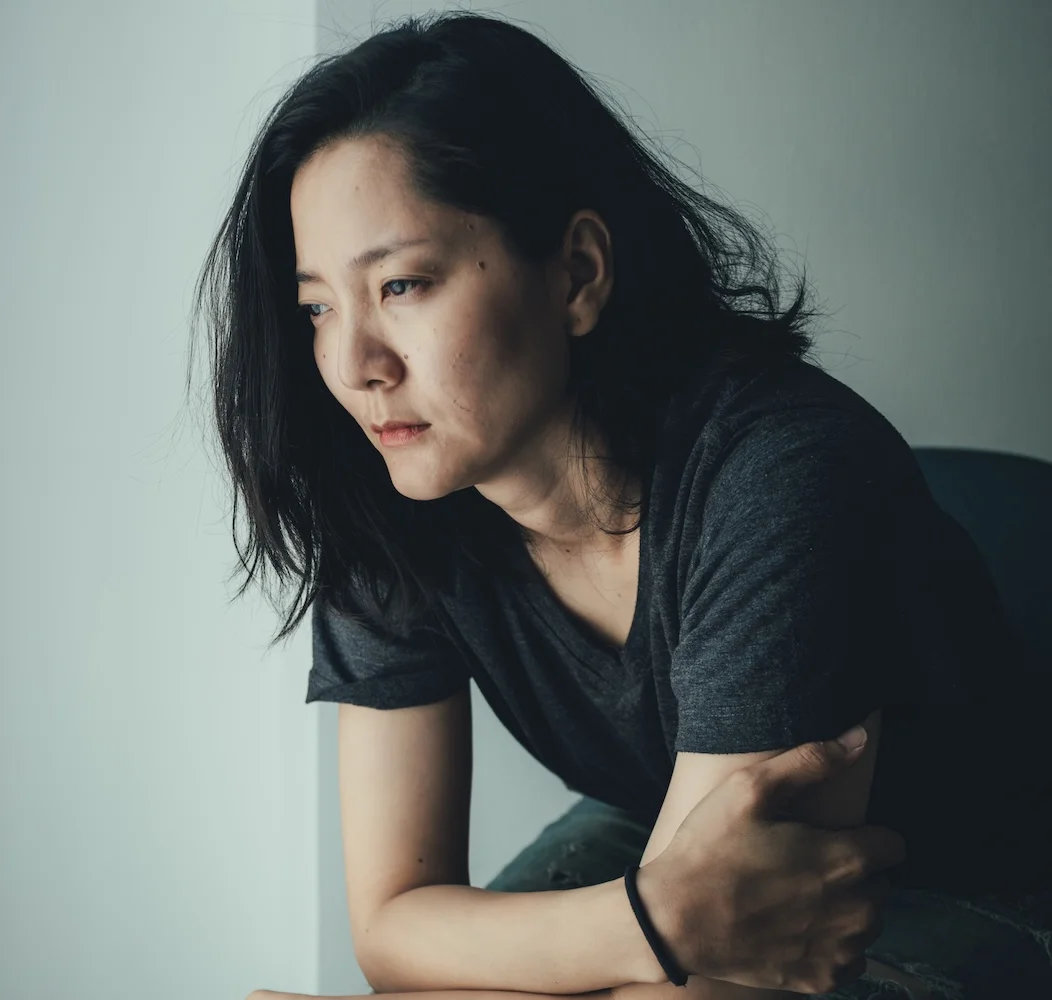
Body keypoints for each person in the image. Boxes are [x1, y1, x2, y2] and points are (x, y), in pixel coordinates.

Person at [189, 11, 1052, 999]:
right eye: (317, 307)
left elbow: (716, 977)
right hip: (655, 841)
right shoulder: (389, 492)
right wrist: (649, 917)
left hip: (978, 894)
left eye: (403, 284)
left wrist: (648, 927)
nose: (353, 365)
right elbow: (393, 930)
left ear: (579, 274)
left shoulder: (783, 473)